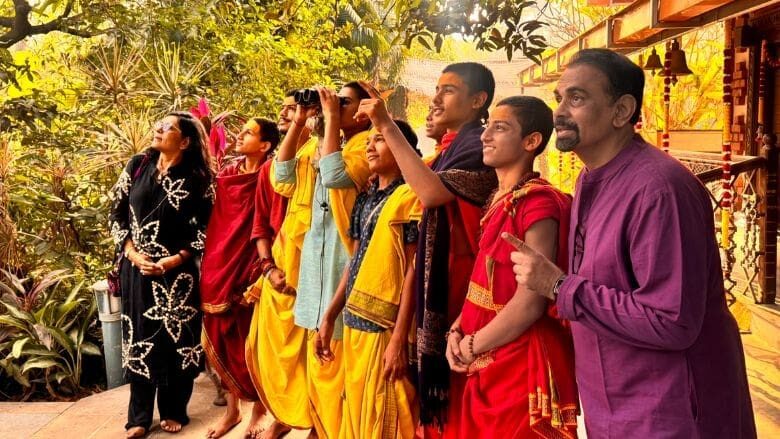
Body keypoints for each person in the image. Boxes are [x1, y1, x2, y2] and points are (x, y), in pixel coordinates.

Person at [506, 48, 757, 438]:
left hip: (669, 411)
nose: (559, 113)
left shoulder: (659, 189)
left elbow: (672, 322)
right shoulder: (588, 179)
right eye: (559, 98)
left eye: (577, 98)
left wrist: (558, 285)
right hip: (614, 404)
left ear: (621, 112)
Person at [357, 63, 497, 435]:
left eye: (448, 90)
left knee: (457, 392)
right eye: (437, 88)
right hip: (437, 278)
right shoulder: (453, 148)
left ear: (477, 101)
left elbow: (432, 193)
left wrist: (387, 124)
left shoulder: (478, 146)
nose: (436, 98)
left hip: (463, 284)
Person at [442, 97, 579, 438]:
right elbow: (482, 280)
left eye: (500, 128)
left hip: (519, 365)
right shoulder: (499, 198)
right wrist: (456, 331)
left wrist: (471, 345)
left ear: (531, 142)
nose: (485, 135)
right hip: (482, 354)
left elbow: (531, 301)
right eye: (487, 126)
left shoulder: (537, 203)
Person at [252, 82, 372, 439]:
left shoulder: (369, 145)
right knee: (316, 356)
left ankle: (333, 428)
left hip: (342, 258)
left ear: (364, 110)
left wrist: (331, 118)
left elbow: (336, 175)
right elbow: (281, 178)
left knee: (337, 352)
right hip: (312, 268)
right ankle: (319, 424)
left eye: (343, 101)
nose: (331, 104)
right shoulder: (313, 145)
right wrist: (303, 122)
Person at [109, 112, 213, 438]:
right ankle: (138, 417)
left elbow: (207, 229)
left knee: (176, 340)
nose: (158, 128)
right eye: (160, 123)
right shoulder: (137, 165)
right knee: (139, 339)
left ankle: (173, 410)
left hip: (178, 273)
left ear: (184, 142)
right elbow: (116, 211)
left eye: (168, 127)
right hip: (136, 269)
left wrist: (173, 260)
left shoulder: (198, 177)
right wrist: (132, 253)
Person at [316, 120, 422, 439]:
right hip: (354, 320)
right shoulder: (366, 197)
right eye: (368, 141)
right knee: (358, 409)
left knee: (387, 411)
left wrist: (399, 338)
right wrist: (330, 315)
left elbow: (412, 269)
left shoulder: (409, 197)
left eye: (380, 140)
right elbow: (356, 258)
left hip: (386, 325)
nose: (370, 146)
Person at [201, 118, 284, 439]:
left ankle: (260, 411)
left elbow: (270, 221)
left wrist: (265, 265)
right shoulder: (231, 172)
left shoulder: (272, 173)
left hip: (251, 263)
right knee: (222, 334)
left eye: (248, 132)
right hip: (220, 262)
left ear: (264, 146)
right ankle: (233, 412)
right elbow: (221, 218)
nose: (239, 135)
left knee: (252, 339)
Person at [243, 91, 312, 439]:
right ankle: (278, 414)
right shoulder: (271, 169)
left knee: (312, 358)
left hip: (310, 275)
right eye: (284, 108)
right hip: (277, 276)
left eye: (294, 108)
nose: (286, 113)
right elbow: (260, 225)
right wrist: (268, 268)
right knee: (269, 355)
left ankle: (305, 421)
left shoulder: (322, 159)